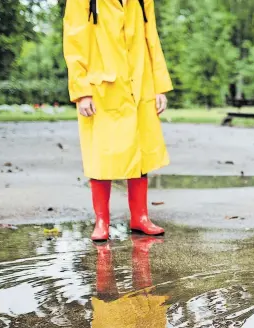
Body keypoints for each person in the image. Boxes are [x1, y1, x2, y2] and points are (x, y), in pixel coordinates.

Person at [63, 0, 173, 241]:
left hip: (140, 83)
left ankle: (140, 217)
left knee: (140, 150)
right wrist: (81, 91)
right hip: (101, 87)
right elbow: (74, 41)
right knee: (102, 153)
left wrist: (159, 87)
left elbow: (151, 38)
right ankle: (102, 221)